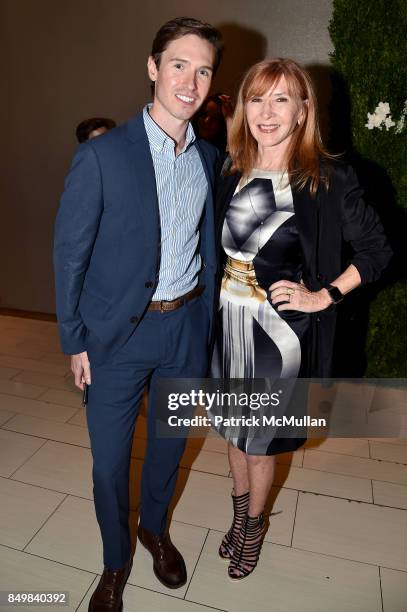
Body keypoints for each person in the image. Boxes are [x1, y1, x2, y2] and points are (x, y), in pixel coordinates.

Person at [54, 17, 223, 612]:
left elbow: (208, 245)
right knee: (108, 465)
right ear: (153, 68)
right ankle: (114, 559)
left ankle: (155, 528)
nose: (190, 80)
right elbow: (69, 254)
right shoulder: (102, 155)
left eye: (203, 69)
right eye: (179, 64)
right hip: (115, 339)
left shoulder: (209, 157)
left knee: (171, 446)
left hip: (184, 328)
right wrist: (74, 340)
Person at [211, 58, 392, 581]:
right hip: (227, 326)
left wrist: (324, 295)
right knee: (231, 432)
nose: (266, 112)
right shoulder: (233, 171)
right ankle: (238, 515)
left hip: (277, 337)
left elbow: (378, 250)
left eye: (281, 99)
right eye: (256, 98)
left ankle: (254, 526)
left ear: (303, 110)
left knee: (260, 441)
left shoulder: (328, 180)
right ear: (242, 107)